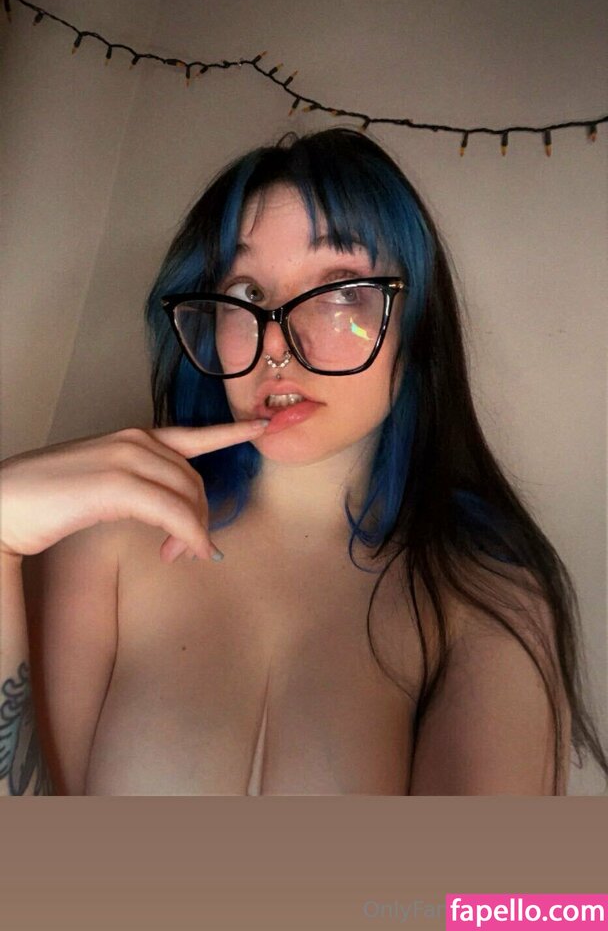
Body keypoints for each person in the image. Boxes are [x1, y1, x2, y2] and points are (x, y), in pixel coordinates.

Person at [1, 127, 606, 796]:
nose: (277, 346)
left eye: (341, 290)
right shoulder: (106, 540)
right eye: (248, 295)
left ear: (417, 326)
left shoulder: (480, 596)